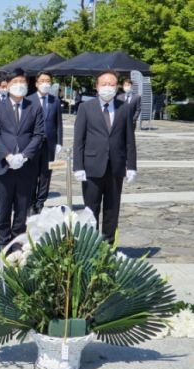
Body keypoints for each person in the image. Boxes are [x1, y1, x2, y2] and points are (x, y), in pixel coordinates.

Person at [73, 69, 137, 243]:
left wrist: (131, 166)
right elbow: (79, 140)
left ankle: (108, 246)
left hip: (116, 168)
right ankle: (90, 245)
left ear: (117, 87)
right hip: (92, 167)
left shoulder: (125, 108)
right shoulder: (86, 108)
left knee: (112, 209)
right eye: (104, 84)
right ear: (96, 86)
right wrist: (78, 166)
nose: (108, 87)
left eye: (112, 84)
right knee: (91, 209)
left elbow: (129, 139)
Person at [0, 68, 44, 256]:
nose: (19, 86)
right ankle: (3, 245)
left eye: (22, 82)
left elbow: (38, 134)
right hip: (3, 166)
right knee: (4, 208)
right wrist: (8, 155)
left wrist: (25, 156)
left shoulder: (34, 106)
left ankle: (17, 245)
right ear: (8, 85)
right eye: (15, 82)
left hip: (26, 167)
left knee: (22, 208)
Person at [27, 71, 63, 215]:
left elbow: (58, 123)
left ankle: (40, 202)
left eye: (48, 81)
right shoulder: (29, 100)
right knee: (31, 173)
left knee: (45, 174)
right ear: (36, 83)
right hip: (32, 144)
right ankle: (30, 202)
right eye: (42, 81)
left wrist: (59, 142)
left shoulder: (55, 101)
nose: (45, 83)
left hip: (50, 143)